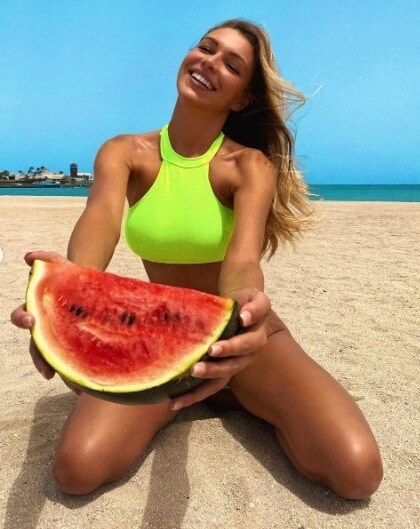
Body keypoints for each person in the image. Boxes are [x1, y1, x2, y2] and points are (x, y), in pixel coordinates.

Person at [11, 18, 383, 499]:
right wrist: (64, 301)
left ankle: (241, 389)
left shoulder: (248, 166)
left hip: (237, 335)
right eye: (206, 48)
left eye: (231, 64)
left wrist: (245, 316)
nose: (209, 61)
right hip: (153, 337)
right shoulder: (124, 152)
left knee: (357, 473)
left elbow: (244, 260)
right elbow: (97, 224)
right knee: (76, 471)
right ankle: (203, 398)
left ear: (242, 98)